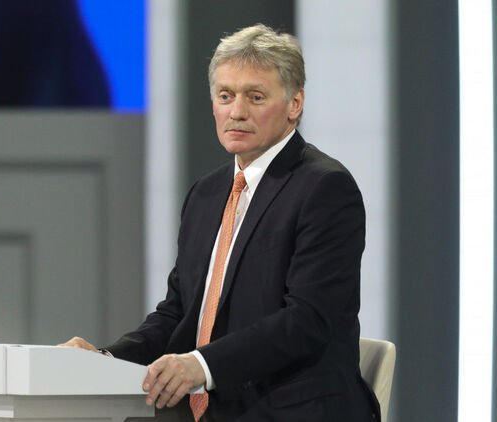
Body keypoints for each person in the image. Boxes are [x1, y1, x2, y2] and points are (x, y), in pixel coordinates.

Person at [61, 24, 380, 422]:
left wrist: (201, 365)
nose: (236, 112)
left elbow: (308, 320)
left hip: (293, 409)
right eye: (225, 96)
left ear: (294, 104)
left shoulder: (324, 187)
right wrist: (105, 359)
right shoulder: (206, 193)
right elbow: (178, 313)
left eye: (255, 97)